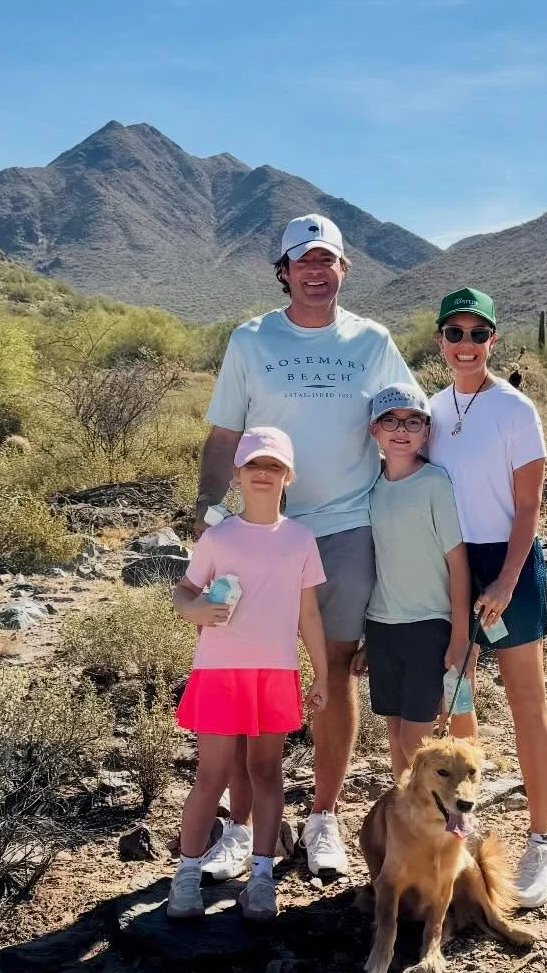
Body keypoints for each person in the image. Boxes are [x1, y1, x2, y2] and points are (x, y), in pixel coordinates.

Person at [192, 213, 416, 882]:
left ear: (344, 270)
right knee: (243, 673)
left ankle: (322, 819)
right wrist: (206, 515)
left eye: (329, 261)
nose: (317, 272)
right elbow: (225, 435)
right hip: (262, 530)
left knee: (338, 669)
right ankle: (239, 828)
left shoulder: (372, 341)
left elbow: (410, 419)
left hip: (347, 525)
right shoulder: (252, 339)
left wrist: (419, 513)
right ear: (284, 271)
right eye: (304, 261)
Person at [425, 287, 547, 907]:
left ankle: (541, 839)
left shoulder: (514, 409)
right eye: (454, 334)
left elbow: (528, 505)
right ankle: (465, 826)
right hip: (455, 564)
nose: (465, 345)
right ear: (440, 341)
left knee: (525, 696)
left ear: (493, 341)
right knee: (459, 694)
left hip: (508, 559)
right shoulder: (433, 408)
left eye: (477, 334)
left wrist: (506, 579)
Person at [170, 427, 328, 922]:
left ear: (289, 477)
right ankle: (186, 877)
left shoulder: (301, 539)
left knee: (266, 772)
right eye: (254, 465)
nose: (264, 474)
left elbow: (309, 616)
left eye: (274, 466)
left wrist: (321, 674)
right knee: (211, 776)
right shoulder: (218, 537)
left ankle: (261, 879)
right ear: (237, 473)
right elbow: (184, 591)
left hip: (275, 674)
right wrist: (194, 610)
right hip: (219, 672)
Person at [353, 382, 471, 782]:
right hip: (383, 626)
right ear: (374, 430)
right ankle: (413, 826)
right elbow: (377, 563)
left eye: (413, 421)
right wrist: (368, 641)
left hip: (429, 626)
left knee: (415, 741)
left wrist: (459, 636)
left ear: (426, 431)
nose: (401, 429)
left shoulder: (435, 483)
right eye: (390, 420)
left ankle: (451, 820)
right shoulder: (370, 489)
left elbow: (458, 564)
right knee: (395, 733)